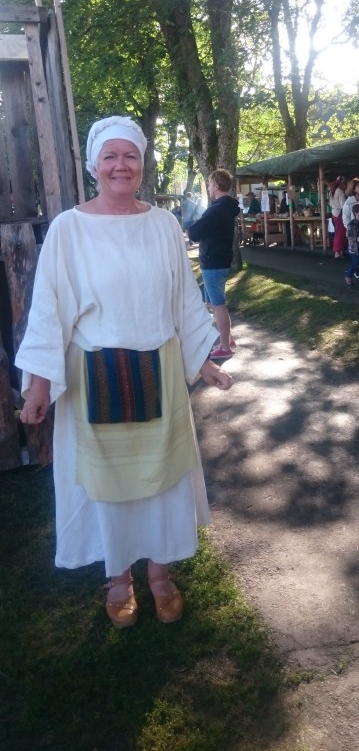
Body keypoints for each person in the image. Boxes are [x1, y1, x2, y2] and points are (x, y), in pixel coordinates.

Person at [15, 116, 233, 629]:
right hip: (95, 379)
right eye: (109, 156)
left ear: (142, 163)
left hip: (160, 373)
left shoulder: (163, 225)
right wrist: (40, 383)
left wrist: (203, 362)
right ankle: (119, 579)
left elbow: (183, 300)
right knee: (109, 484)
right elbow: (48, 309)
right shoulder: (69, 229)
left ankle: (159, 574)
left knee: (161, 482)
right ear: (94, 165)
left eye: (129, 155)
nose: (120, 165)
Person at [188, 169, 240, 360]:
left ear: (216, 186)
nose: (208, 188)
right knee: (211, 303)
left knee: (218, 305)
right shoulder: (225, 207)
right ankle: (228, 339)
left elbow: (194, 232)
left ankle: (225, 347)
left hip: (213, 261)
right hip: (217, 259)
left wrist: (189, 227)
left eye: (209, 184)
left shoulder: (217, 209)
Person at [327, 175, 347, 258]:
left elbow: (330, 203)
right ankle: (337, 252)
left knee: (338, 232)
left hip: (334, 213)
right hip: (339, 214)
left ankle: (339, 251)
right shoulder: (340, 191)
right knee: (340, 233)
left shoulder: (332, 190)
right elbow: (343, 205)